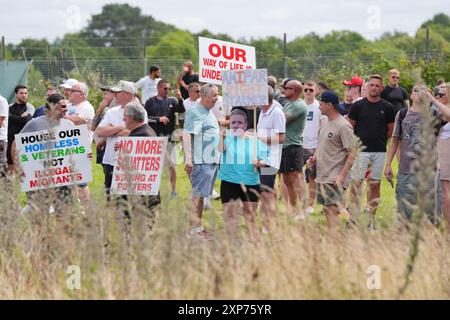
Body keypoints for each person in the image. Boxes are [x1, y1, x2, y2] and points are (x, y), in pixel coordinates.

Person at [385, 84, 440, 226]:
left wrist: (433, 100)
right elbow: (395, 140)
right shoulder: (402, 114)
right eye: (416, 90)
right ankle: (403, 241)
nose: (419, 93)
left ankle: (433, 241)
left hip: (429, 170)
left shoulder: (434, 114)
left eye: (423, 90)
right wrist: (388, 164)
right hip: (406, 169)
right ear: (411, 95)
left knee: (432, 212)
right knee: (404, 212)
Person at [17, 94, 81, 215]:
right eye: (63, 106)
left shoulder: (69, 125)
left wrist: (84, 157)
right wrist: (20, 166)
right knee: (39, 212)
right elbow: (16, 144)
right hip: (39, 176)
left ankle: (61, 234)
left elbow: (77, 149)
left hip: (63, 177)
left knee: (64, 212)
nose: (66, 109)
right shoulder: (34, 124)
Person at [347, 74, 396, 229]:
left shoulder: (387, 107)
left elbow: (390, 130)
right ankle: (353, 218)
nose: (374, 88)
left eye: (377, 86)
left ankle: (370, 221)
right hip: (360, 151)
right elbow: (350, 127)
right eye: (371, 85)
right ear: (367, 87)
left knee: (374, 185)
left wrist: (379, 140)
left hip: (379, 152)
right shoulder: (357, 106)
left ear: (381, 88)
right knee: (356, 184)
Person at [307, 91, 357, 229]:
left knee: (330, 208)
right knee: (327, 209)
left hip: (335, 177)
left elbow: (353, 153)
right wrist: (314, 158)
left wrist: (341, 176)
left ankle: (334, 241)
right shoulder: (325, 124)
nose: (319, 107)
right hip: (323, 175)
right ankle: (332, 239)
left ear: (329, 105)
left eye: (321, 104)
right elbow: (322, 145)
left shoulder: (343, 126)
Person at [218, 108, 268, 243]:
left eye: (239, 123)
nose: (235, 125)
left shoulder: (255, 141)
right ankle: (232, 247)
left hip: (251, 182)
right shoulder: (226, 138)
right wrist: (221, 137)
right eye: (233, 122)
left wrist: (261, 163)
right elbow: (219, 149)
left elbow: (265, 159)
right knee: (230, 218)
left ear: (246, 125)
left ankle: (254, 245)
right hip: (229, 183)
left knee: (250, 217)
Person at [183, 84, 220, 240]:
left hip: (211, 160)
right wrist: (189, 159)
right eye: (214, 95)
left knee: (202, 195)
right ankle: (194, 229)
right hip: (201, 161)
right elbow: (187, 135)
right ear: (204, 96)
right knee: (197, 196)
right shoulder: (196, 112)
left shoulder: (207, 111)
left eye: (217, 94)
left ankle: (197, 227)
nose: (217, 98)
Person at [116, 101, 160, 230]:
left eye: (124, 116)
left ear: (130, 117)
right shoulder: (144, 131)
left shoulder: (142, 135)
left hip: (141, 197)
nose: (123, 119)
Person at [95, 81, 144, 199]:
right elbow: (99, 131)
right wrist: (121, 127)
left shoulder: (139, 111)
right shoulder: (112, 111)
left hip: (127, 163)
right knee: (110, 197)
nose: (115, 95)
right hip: (110, 160)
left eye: (118, 92)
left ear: (127, 94)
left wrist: (111, 129)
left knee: (125, 199)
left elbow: (136, 133)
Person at [145, 79, 185, 197]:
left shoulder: (172, 100)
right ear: (158, 88)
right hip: (154, 139)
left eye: (168, 88)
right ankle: (153, 189)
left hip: (169, 139)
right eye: (165, 88)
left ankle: (173, 191)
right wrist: (159, 119)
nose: (167, 91)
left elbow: (182, 111)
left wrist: (180, 99)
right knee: (153, 167)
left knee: (171, 166)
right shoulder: (150, 102)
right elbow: (145, 118)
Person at [257, 86, 286, 232]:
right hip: (261, 158)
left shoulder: (277, 113)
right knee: (266, 192)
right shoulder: (262, 112)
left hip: (270, 160)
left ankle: (268, 226)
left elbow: (281, 138)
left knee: (266, 193)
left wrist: (260, 139)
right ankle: (271, 222)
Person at [279, 79, 308, 218]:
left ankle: (303, 210)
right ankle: (293, 209)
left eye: (286, 88)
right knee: (286, 179)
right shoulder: (288, 104)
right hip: (284, 146)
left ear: (294, 90)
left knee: (295, 178)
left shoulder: (299, 105)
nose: (283, 90)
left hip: (293, 146)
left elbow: (282, 120)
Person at [65, 82, 95, 204]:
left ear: (82, 94)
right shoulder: (68, 105)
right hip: (66, 147)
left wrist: (62, 115)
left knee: (81, 182)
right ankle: (73, 205)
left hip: (81, 149)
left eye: (73, 90)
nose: (69, 92)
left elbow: (77, 120)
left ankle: (85, 207)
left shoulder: (87, 107)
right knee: (67, 180)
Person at [302, 80, 327, 214]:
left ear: (316, 91)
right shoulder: (299, 106)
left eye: (311, 90)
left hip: (314, 147)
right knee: (296, 176)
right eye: (305, 90)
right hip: (299, 146)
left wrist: (319, 148)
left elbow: (323, 127)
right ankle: (299, 204)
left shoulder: (319, 107)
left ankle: (310, 206)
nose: (308, 92)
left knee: (313, 177)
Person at [427, 84, 450, 230]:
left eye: (441, 94)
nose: (438, 97)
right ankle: (447, 229)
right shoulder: (436, 111)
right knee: (445, 194)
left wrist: (431, 98)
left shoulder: (442, 109)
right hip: (443, 151)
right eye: (437, 94)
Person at [7, 85, 34, 173]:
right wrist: (19, 118)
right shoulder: (9, 107)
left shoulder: (29, 107)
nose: (24, 95)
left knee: (24, 169)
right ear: (16, 94)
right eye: (21, 93)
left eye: (26, 93)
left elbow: (25, 120)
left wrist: (10, 116)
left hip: (24, 142)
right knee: (10, 169)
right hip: (10, 141)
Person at [92, 85, 118, 167]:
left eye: (106, 94)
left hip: (109, 146)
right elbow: (93, 127)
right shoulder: (105, 109)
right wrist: (99, 109)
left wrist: (101, 143)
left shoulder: (116, 110)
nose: (104, 97)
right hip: (101, 146)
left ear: (114, 95)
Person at [0, 94, 8, 177]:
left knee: (2, 172)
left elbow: (0, 123)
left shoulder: (1, 101)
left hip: (0, 140)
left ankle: (6, 190)